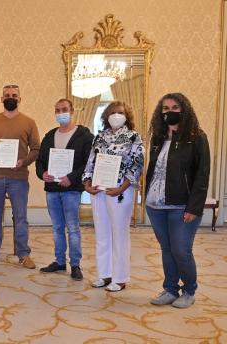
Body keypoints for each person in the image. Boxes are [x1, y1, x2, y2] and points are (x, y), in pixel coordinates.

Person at [145, 93, 210, 308]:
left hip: (181, 205)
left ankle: (189, 290)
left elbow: (202, 175)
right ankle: (170, 289)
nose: (170, 112)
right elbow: (154, 170)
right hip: (156, 204)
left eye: (174, 107)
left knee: (181, 250)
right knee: (166, 248)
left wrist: (194, 207)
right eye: (165, 108)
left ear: (184, 110)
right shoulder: (158, 137)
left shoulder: (197, 137)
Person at [0, 84, 40, 269]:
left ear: (20, 99)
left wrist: (24, 161)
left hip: (18, 177)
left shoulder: (29, 122)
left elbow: (36, 149)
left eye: (14, 95)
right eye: (6, 95)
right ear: (1, 99)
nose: (10, 97)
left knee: (20, 217)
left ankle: (23, 254)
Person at [83, 100, 144, 292]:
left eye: (120, 112)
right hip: (99, 189)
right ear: (106, 116)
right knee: (101, 233)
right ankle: (104, 274)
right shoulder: (99, 137)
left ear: (127, 116)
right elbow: (91, 161)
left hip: (120, 190)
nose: (116, 115)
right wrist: (86, 183)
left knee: (119, 233)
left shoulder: (134, 137)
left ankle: (120, 277)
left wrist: (122, 187)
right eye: (112, 112)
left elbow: (137, 164)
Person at [35, 98, 93, 281]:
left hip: (72, 190)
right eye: (58, 110)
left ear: (72, 110)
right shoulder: (49, 136)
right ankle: (59, 261)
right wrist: (42, 173)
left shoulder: (84, 136)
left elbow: (88, 163)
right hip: (52, 189)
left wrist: (72, 178)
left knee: (73, 228)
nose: (61, 113)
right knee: (57, 228)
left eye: (64, 109)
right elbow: (40, 161)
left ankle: (75, 264)